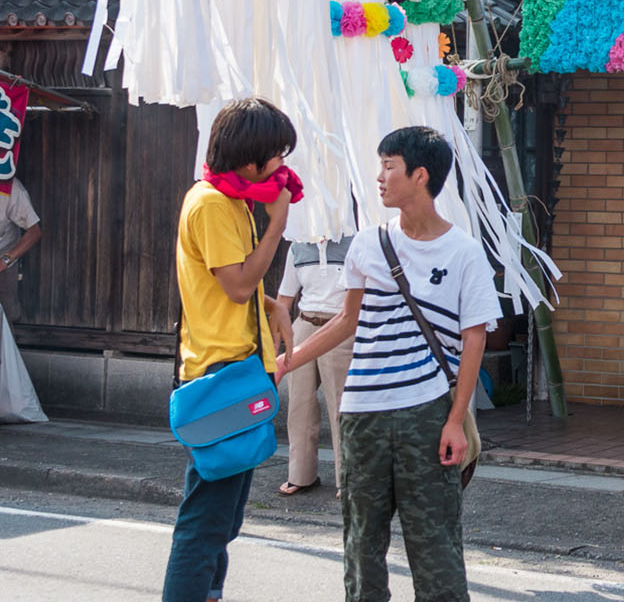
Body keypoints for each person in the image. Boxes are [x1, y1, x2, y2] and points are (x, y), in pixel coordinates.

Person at [277, 126, 499, 602]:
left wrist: (457, 421)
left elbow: (474, 337)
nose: (378, 177)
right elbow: (347, 320)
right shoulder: (367, 244)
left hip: (427, 414)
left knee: (435, 545)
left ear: (420, 175)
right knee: (361, 544)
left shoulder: (464, 252)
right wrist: (290, 359)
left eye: (388, 166)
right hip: (361, 412)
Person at [163, 99, 298, 602]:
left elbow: (221, 284)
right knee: (206, 522)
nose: (281, 166)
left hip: (233, 371)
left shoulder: (228, 199)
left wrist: (271, 306)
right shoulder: (214, 204)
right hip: (222, 374)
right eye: (275, 154)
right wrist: (277, 225)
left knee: (221, 519)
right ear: (249, 155)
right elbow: (237, 285)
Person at [273, 235, 352, 496]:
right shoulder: (297, 246)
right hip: (304, 322)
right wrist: (273, 352)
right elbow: (283, 299)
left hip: (341, 325)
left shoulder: (353, 241)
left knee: (341, 404)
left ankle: (347, 478)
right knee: (299, 404)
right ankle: (300, 475)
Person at [0, 179, 42, 323]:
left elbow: (34, 232)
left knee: (5, 316)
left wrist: (5, 261)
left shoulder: (13, 189)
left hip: (4, 259)